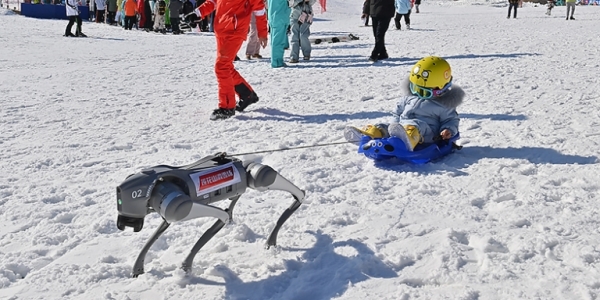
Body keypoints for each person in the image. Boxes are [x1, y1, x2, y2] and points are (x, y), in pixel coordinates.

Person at [344, 56, 464, 152]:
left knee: (415, 125)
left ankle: (407, 140)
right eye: (415, 88)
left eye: (423, 91)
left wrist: (448, 130)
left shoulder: (444, 105)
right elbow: (398, 111)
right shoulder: (410, 97)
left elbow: (451, 120)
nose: (417, 93)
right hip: (401, 127)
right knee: (383, 126)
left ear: (440, 88)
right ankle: (370, 135)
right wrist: (393, 126)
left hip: (426, 135)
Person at [189, 0, 268, 120]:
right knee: (226, 66)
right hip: (221, 29)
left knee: (222, 67)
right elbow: (213, 1)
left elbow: (259, 8)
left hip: (235, 30)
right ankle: (246, 94)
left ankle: (227, 107)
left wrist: (262, 32)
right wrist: (198, 13)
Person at [267, 0, 290, 68]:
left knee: (274, 41)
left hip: (273, 16)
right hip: (280, 17)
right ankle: (277, 62)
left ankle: (276, 60)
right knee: (278, 42)